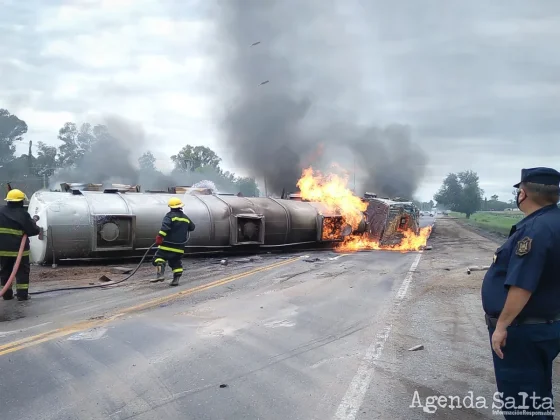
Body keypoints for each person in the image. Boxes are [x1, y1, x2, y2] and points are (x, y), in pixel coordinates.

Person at [481, 167, 560, 419]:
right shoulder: (554, 222)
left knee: (523, 405)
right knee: (537, 395)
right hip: (547, 325)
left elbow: (523, 284)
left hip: (523, 331)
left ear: (523, 193)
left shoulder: (534, 230)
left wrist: (502, 326)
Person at [0, 189, 41, 301]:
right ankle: (22, 295)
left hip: (2, 250)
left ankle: (6, 295)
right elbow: (32, 230)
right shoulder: (23, 214)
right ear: (21, 201)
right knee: (22, 272)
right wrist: (37, 227)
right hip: (19, 250)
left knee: (5, 271)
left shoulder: (1, 211)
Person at [151, 197, 195, 286]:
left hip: (167, 245)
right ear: (180, 207)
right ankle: (176, 280)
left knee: (158, 258)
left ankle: (160, 275)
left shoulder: (169, 216)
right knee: (175, 262)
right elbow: (192, 227)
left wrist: (160, 237)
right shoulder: (185, 218)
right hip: (179, 248)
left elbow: (165, 227)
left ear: (170, 207)